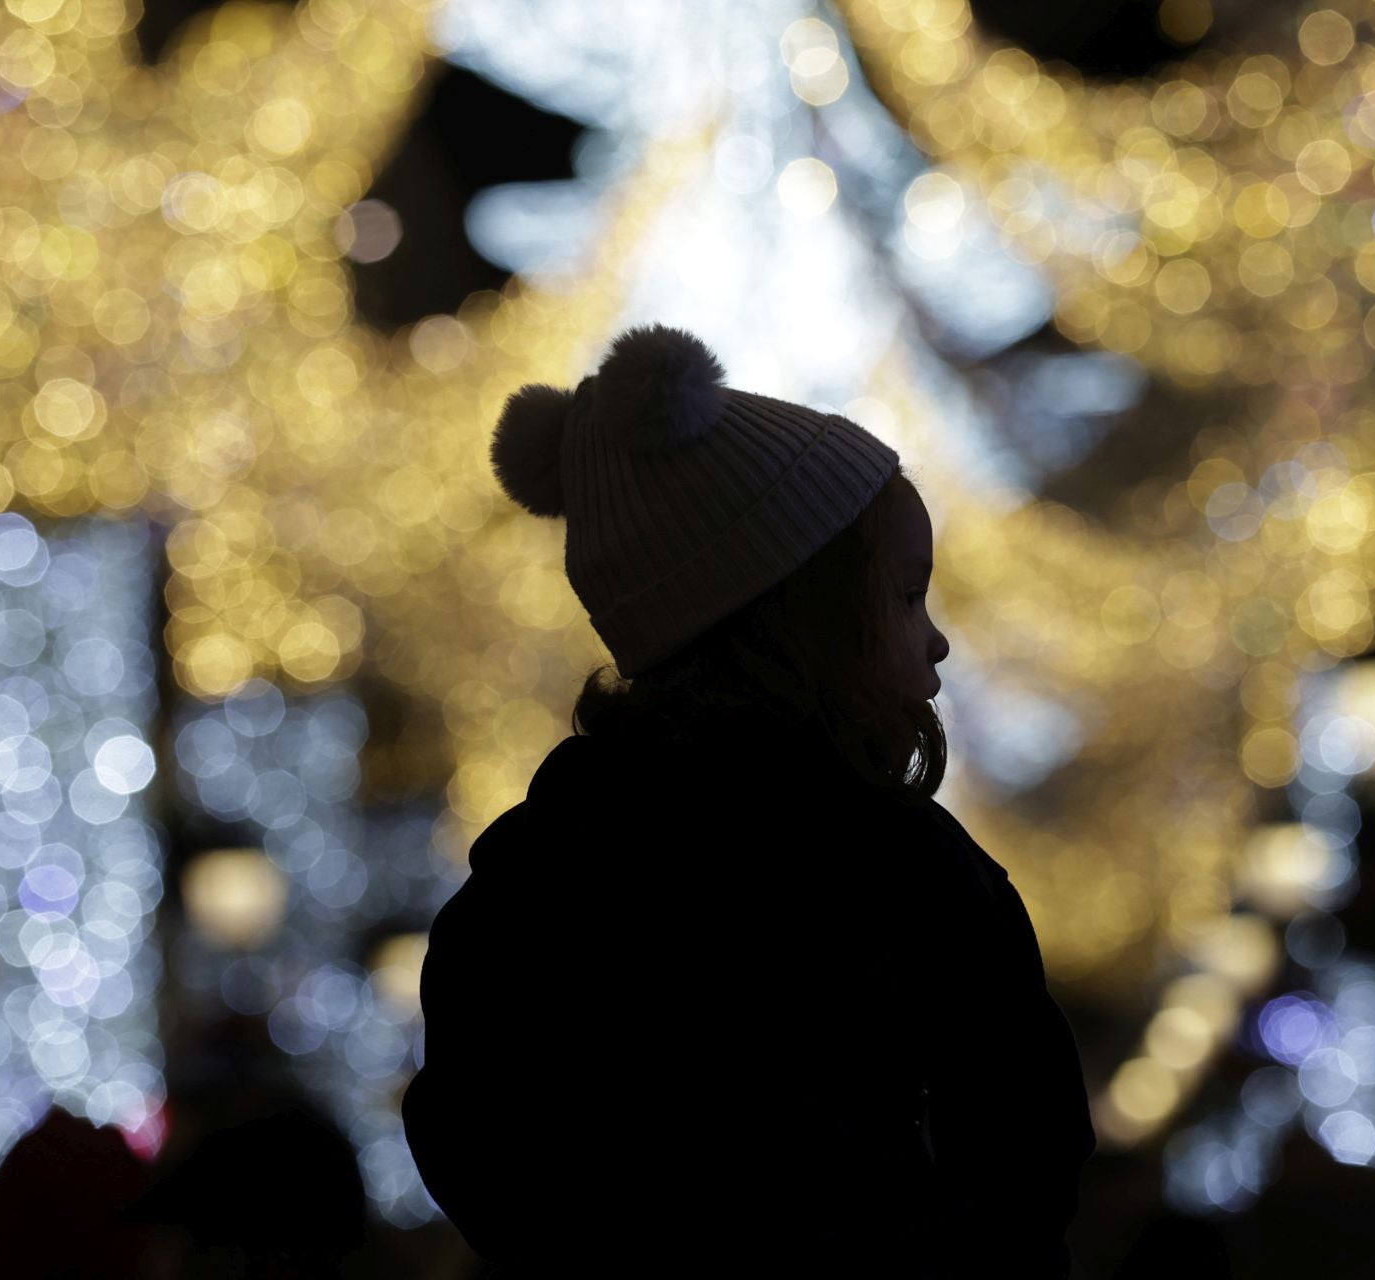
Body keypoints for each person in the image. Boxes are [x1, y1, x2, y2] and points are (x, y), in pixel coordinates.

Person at [401, 324, 1096, 1277]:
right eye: (905, 598)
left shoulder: (531, 886)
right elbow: (1025, 1155)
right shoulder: (900, 875)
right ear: (799, 622)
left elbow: (484, 1160)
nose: (935, 644)